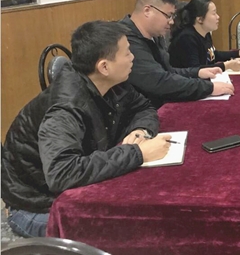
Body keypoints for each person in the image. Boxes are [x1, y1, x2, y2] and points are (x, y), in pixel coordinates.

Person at [1, 21, 171, 238]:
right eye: (127, 53)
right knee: (128, 233)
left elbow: (144, 107)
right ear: (104, 66)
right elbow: (62, 173)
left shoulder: (111, 82)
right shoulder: (66, 108)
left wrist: (140, 131)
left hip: (68, 192)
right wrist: (137, 153)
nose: (133, 58)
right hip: (36, 206)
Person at [120, 0, 234, 109]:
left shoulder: (154, 36)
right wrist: (208, 88)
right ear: (147, 11)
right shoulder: (125, 40)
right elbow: (159, 81)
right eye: (168, 16)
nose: (171, 22)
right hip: (143, 112)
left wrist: (197, 72)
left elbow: (168, 71)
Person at [168, 0, 240, 71]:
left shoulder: (205, 33)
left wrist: (238, 53)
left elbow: (212, 55)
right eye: (214, 13)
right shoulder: (186, 39)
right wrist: (226, 66)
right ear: (200, 19)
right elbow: (196, 71)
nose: (218, 17)